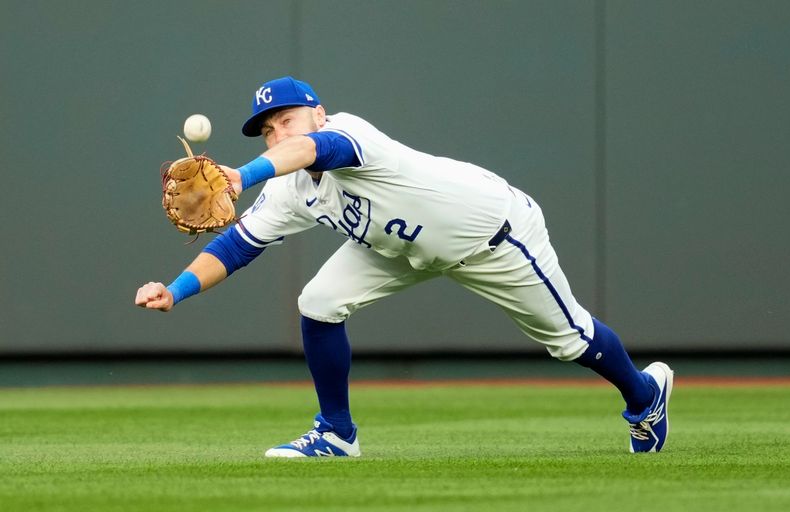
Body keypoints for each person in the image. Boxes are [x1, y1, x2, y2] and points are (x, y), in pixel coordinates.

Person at [135, 76, 673, 457]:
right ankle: (336, 434)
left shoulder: (347, 134)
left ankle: (644, 397)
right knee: (318, 302)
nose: (278, 132)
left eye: (287, 119)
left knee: (570, 339)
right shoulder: (286, 188)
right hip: (398, 249)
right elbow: (236, 247)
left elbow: (309, 150)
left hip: (492, 232)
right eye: (267, 129)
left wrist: (242, 174)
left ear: (318, 114)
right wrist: (176, 290)